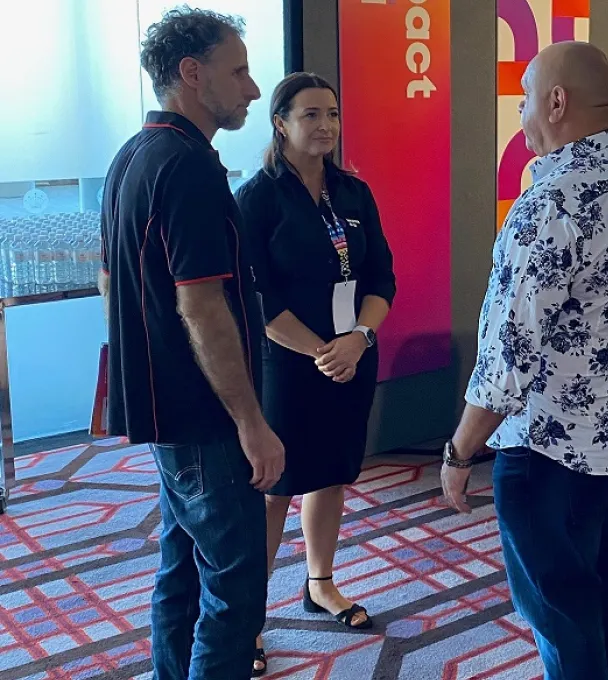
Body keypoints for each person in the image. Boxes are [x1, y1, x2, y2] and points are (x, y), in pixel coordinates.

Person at [440, 42, 608, 680]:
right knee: (605, 584)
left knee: (560, 610)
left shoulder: (550, 205)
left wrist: (460, 453)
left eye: (523, 98)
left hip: (548, 453)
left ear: (556, 101)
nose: (520, 114)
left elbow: (505, 357)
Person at [98, 7, 283, 680]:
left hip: (167, 411)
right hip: (206, 419)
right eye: (238, 72)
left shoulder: (132, 157)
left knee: (180, 574)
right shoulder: (190, 169)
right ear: (191, 73)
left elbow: (110, 280)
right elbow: (201, 306)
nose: (253, 89)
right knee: (235, 594)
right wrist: (251, 422)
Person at [234, 72, 396, 676]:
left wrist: (357, 339)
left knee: (331, 475)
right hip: (289, 364)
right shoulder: (257, 199)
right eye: (310, 115)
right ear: (281, 123)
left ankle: (320, 583)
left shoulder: (354, 193)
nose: (325, 125)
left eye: (332, 114)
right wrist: (320, 350)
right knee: (276, 486)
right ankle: (246, 617)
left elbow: (382, 278)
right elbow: (257, 298)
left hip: (351, 356)